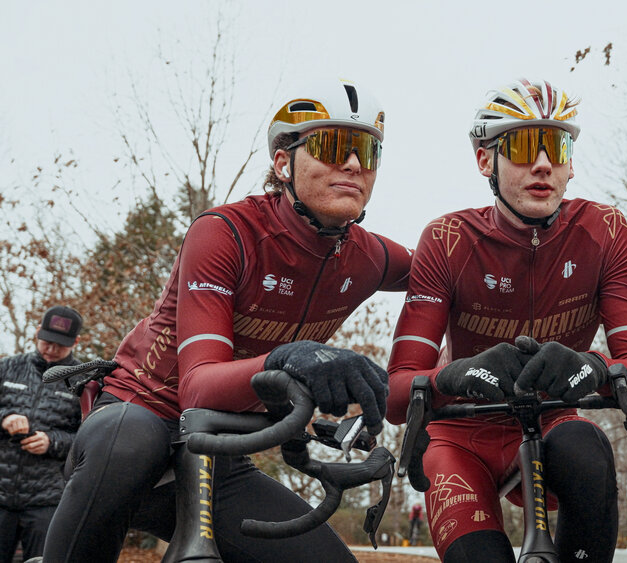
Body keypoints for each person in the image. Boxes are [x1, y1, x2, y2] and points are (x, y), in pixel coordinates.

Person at [43, 79, 411, 563]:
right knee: (132, 443)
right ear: (283, 163)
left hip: (217, 454)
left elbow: (452, 277)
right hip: (137, 419)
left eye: (369, 151)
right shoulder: (226, 233)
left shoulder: (369, 256)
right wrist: (291, 359)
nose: (355, 164)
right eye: (333, 145)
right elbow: (198, 387)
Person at [387, 78, 627, 563]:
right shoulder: (447, 239)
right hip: (461, 437)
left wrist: (593, 366)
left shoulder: (605, 231)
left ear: (571, 164)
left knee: (587, 447)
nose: (542, 164)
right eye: (520, 147)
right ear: (484, 161)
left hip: (554, 425)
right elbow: (396, 394)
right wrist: (453, 375)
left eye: (556, 147)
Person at [0, 306, 83, 563]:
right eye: (47, 341)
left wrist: (53, 442)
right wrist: (4, 419)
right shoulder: (7, 368)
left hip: (48, 501)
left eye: (61, 345)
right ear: (37, 332)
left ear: (76, 342)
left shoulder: (84, 381)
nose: (51, 349)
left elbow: (90, 439)